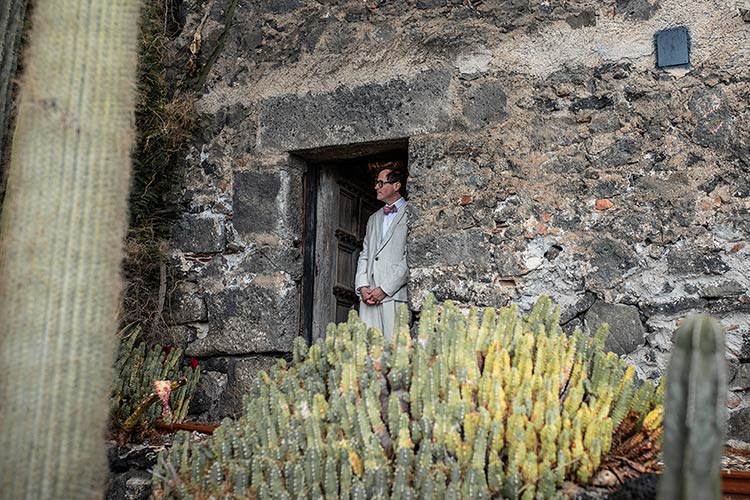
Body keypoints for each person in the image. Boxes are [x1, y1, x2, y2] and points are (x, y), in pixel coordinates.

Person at [355, 163, 409, 341]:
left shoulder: (412, 213)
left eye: (380, 183)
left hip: (394, 295)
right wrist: (362, 286)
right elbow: (365, 253)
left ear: (396, 186)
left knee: (395, 351)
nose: (375, 187)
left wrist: (385, 289)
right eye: (376, 183)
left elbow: (410, 257)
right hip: (369, 297)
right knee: (368, 352)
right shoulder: (373, 218)